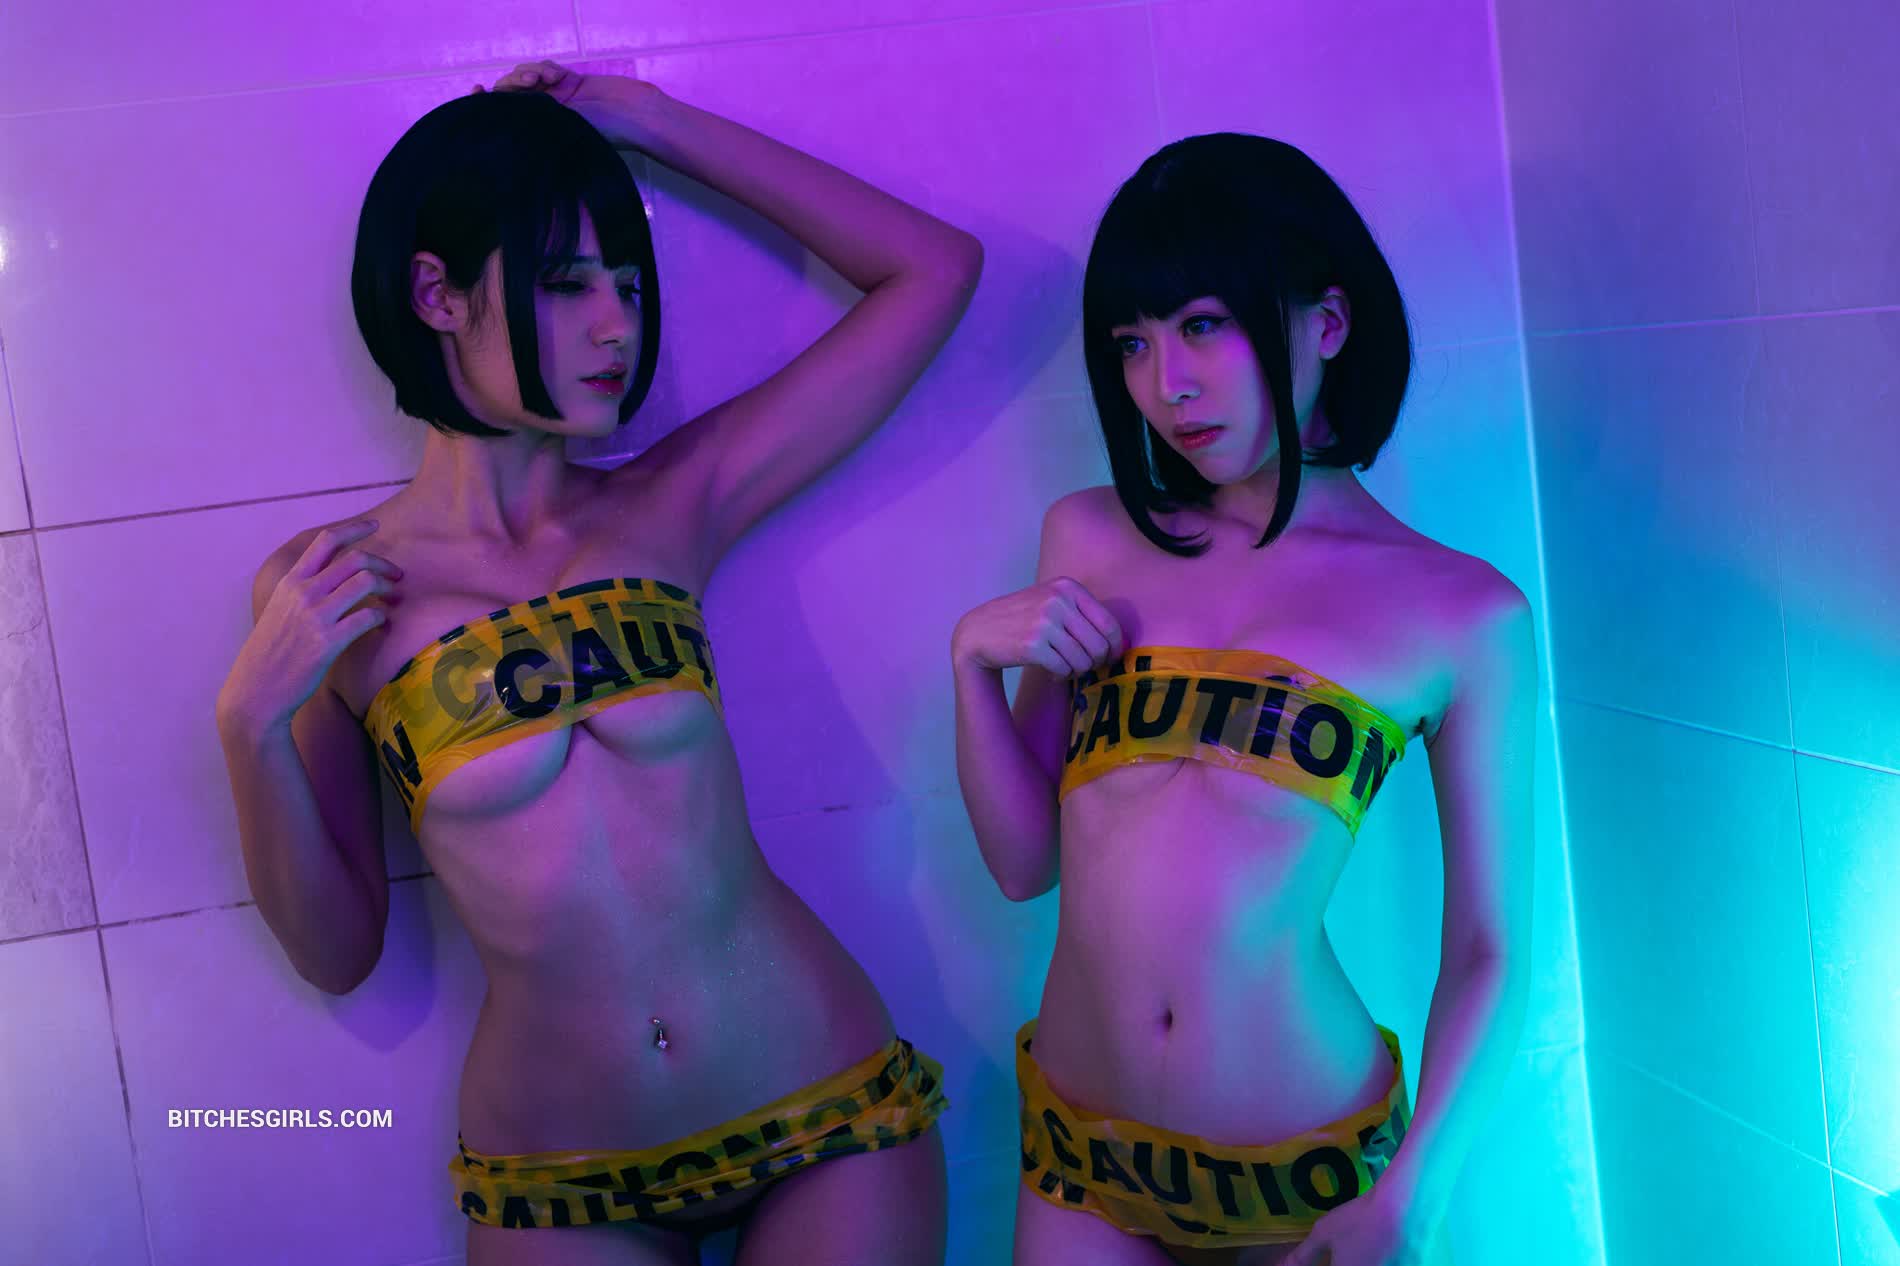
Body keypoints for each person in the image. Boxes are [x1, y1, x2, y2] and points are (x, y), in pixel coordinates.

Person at [216, 59, 981, 1266]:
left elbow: (933, 271)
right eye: (567, 284)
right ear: (436, 295)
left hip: (822, 1119)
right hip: (561, 1181)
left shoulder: (669, 503)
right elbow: (337, 949)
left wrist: (652, 122)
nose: (619, 326)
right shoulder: (333, 590)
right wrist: (248, 726)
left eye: (626, 283)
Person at [950, 133, 1535, 1266]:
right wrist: (972, 666)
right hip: (1080, 1160)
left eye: (1203, 325)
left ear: (1329, 323)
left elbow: (1489, 949)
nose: (1164, 384)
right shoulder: (1090, 537)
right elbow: (1024, 864)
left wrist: (1412, 1197)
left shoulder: (1460, 613)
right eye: (1132, 342)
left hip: (1307, 1179)